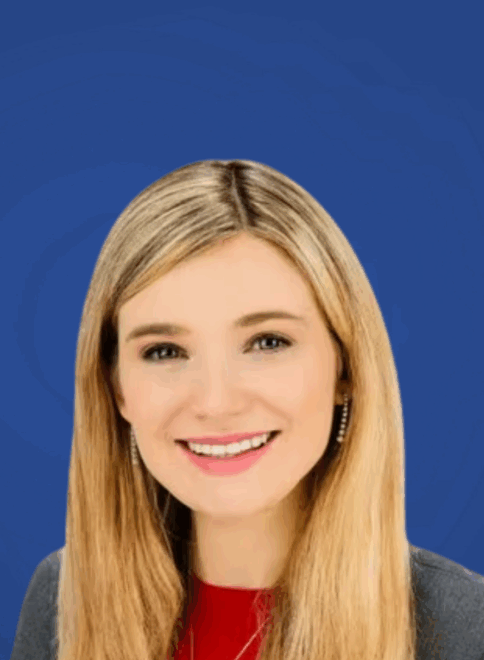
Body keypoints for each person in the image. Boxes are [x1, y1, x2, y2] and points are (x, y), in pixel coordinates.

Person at [10, 160, 484, 660]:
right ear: (116, 388)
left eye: (268, 342)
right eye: (165, 351)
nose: (216, 402)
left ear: (345, 368)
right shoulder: (62, 599)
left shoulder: (466, 629)